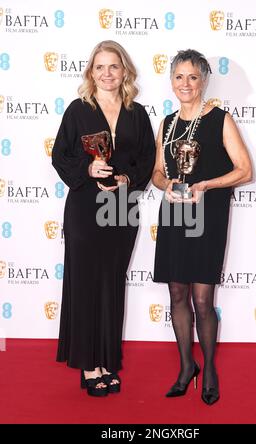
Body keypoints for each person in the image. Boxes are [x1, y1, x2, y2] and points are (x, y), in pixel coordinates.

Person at [52, 40, 155, 397]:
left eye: (114, 66)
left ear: (124, 71)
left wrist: (126, 178)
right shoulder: (78, 111)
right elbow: (60, 156)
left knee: (111, 282)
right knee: (85, 284)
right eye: (100, 67)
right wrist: (88, 167)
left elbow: (147, 159)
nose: (107, 73)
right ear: (90, 72)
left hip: (121, 208)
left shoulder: (137, 113)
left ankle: (108, 360)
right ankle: (89, 365)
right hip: (84, 208)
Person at [152, 49, 252, 405]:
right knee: (176, 294)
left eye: (193, 76)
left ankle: (208, 368)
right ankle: (185, 367)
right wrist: (169, 187)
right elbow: (156, 174)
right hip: (175, 216)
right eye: (179, 76)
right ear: (171, 81)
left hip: (207, 218)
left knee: (202, 299)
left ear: (204, 79)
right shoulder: (166, 123)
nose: (186, 83)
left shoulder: (220, 119)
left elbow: (245, 170)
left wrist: (205, 185)